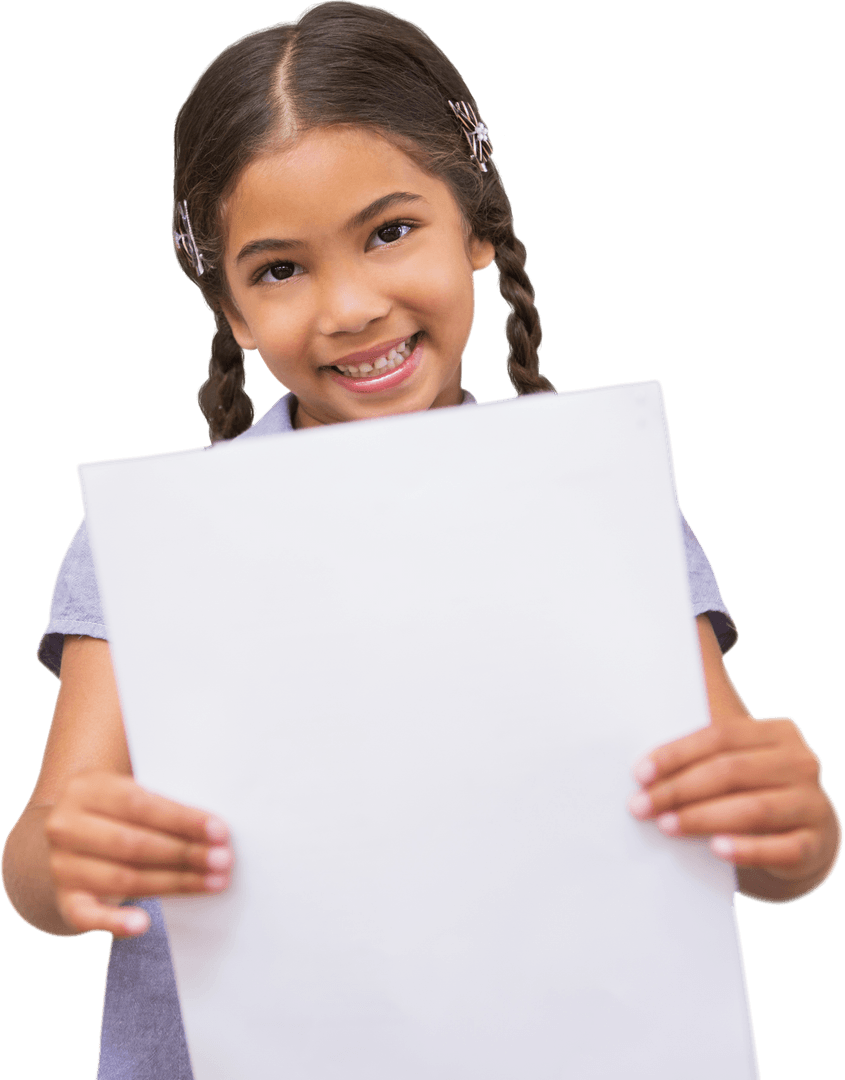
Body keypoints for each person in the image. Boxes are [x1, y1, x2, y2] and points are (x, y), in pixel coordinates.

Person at [2, 2, 841, 1076]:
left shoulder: (602, 506)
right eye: (278, 269)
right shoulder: (154, 544)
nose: (349, 307)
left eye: (389, 232)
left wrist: (799, 830)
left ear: (477, 228)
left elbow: (759, 852)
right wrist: (69, 857)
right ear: (231, 311)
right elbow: (41, 857)